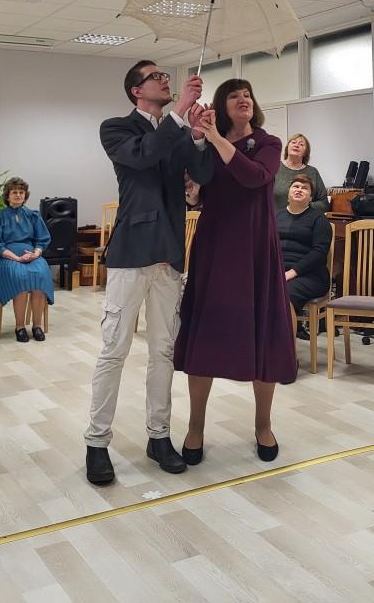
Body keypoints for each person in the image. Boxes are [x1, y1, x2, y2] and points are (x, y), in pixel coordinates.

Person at [84, 61, 213, 486]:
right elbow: (143, 156)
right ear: (136, 91)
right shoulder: (116, 129)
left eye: (165, 76)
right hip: (131, 254)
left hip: (170, 255)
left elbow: (202, 176)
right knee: (114, 350)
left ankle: (159, 436)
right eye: (156, 76)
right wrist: (180, 113)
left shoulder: (176, 129)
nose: (165, 79)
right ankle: (97, 442)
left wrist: (199, 136)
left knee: (163, 352)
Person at [175, 79, 297, 467]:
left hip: (257, 247)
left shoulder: (269, 143)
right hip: (216, 246)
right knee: (206, 335)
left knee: (264, 335)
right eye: (233, 95)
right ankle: (195, 427)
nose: (243, 99)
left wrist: (215, 138)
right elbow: (200, 191)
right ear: (222, 105)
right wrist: (194, 189)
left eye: (247, 95)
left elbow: (254, 177)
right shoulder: (208, 146)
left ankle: (263, 425)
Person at [0, 177, 53, 343]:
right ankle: (20, 327)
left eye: (21, 192)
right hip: (6, 258)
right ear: (7, 196)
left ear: (25, 196)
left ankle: (37, 326)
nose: (18, 195)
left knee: (41, 275)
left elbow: (42, 239)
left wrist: (36, 254)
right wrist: (17, 258)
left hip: (31, 255)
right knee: (20, 278)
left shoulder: (33, 216)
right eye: (14, 192)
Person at [277, 174, 333, 325]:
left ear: (310, 198)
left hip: (310, 276)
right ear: (288, 193)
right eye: (296, 186)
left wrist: (291, 273)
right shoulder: (275, 217)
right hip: (278, 273)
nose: (299, 189)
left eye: (305, 188)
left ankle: (284, 338)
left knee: (282, 293)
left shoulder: (319, 219)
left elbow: (319, 253)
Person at [273, 133, 329, 212]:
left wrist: (303, 206)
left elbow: (324, 204)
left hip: (305, 218)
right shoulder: (274, 167)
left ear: (306, 152)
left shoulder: (313, 172)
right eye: (293, 142)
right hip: (276, 218)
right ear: (287, 148)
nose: (296, 145)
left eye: (301, 144)